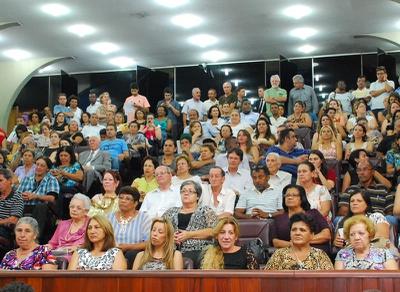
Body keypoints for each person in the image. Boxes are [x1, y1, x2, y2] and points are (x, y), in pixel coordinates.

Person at [162, 180, 217, 269]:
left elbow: (214, 231)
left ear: (198, 196)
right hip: (171, 248)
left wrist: (188, 234)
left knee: (190, 256)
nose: (186, 193)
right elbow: (159, 229)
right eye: (183, 191)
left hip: (197, 249)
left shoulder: (206, 211)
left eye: (190, 191)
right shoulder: (170, 212)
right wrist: (171, 237)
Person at [271, 184, 331, 254]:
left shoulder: (314, 213)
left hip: (315, 252)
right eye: (287, 195)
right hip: (289, 253)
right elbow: (275, 242)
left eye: (294, 195)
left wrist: (303, 242)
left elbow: (326, 235)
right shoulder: (279, 218)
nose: (290, 197)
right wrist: (294, 245)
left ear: (302, 199)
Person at [334, 189, 396, 254]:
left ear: (367, 204)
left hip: (377, 250)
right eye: (352, 201)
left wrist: (360, 245)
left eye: (359, 201)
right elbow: (338, 242)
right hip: (350, 254)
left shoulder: (376, 217)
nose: (354, 203)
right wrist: (336, 242)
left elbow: (382, 237)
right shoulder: (342, 221)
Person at [265, 213, 333, 270]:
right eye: (294, 230)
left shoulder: (319, 255)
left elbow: (329, 281)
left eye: (302, 230)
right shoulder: (279, 255)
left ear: (311, 235)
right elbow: (266, 280)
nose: (297, 233)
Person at [338, 161, 395, 227]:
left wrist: (376, 219)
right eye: (359, 170)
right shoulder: (350, 190)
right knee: (338, 220)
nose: (361, 173)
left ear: (373, 172)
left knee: (392, 219)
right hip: (354, 219)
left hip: (379, 221)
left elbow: (390, 212)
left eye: (365, 169)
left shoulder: (383, 189)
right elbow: (342, 211)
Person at [107, 186, 152, 269]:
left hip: (133, 254)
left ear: (135, 203)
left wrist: (129, 247)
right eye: (121, 198)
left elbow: (149, 243)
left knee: (132, 254)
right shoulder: (108, 218)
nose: (123, 201)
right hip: (111, 252)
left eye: (128, 199)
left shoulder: (144, 218)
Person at [17, 157, 59, 241]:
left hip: (42, 207)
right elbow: (18, 194)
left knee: (40, 206)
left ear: (47, 169)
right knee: (16, 205)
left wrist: (36, 196)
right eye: (37, 165)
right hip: (25, 205)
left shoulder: (51, 180)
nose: (38, 167)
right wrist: (23, 195)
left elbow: (51, 198)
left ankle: (35, 238)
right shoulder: (27, 178)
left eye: (42, 166)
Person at [46, 193, 90, 259]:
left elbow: (95, 245)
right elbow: (52, 244)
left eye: (79, 208)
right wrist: (43, 248)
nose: (74, 209)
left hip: (77, 256)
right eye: (72, 207)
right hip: (58, 254)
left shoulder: (91, 225)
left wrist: (77, 248)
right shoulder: (62, 224)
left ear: (86, 211)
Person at [50, 146, 83, 220]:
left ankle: (59, 217)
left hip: (72, 187)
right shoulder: (55, 166)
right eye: (61, 155)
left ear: (70, 156)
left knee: (59, 190)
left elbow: (79, 177)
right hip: (56, 186)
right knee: (57, 190)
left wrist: (64, 173)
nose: (63, 157)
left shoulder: (75, 165)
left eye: (65, 155)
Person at [0, 169, 24, 246]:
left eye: (1, 181)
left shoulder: (17, 197)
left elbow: (14, 220)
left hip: (6, 230)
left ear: (9, 180)